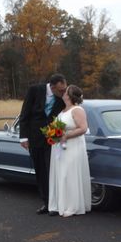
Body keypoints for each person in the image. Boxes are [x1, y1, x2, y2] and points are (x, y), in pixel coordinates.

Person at [19, 73, 67, 215]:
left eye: (64, 89)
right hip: (34, 138)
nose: (63, 92)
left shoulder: (63, 98)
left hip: (53, 140)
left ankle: (56, 204)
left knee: (52, 171)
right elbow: (25, 114)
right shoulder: (35, 90)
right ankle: (46, 203)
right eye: (60, 90)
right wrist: (23, 137)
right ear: (52, 87)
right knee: (40, 172)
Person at [48, 85, 91, 217]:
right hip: (60, 147)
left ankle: (73, 206)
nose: (63, 92)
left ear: (69, 96)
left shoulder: (77, 110)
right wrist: (53, 135)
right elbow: (57, 128)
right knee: (61, 174)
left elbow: (83, 128)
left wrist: (66, 136)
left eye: (66, 91)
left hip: (73, 146)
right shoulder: (63, 111)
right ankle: (62, 204)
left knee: (69, 174)